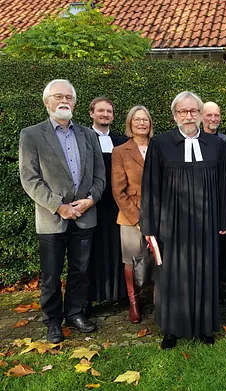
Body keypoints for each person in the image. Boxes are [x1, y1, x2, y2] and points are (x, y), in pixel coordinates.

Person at [140, 91, 226, 349]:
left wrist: (225, 218)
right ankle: (171, 329)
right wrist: (150, 225)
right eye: (183, 111)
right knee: (172, 275)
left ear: (201, 114)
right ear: (174, 115)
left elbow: (225, 185)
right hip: (172, 225)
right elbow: (150, 187)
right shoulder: (160, 144)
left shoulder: (217, 146)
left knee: (205, 272)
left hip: (207, 223)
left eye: (193, 111)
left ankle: (205, 327)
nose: (189, 116)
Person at [19, 79, 105, 343]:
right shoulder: (32, 135)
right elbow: (29, 178)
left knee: (81, 271)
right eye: (58, 96)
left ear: (75, 103)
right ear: (47, 102)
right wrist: (59, 205)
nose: (64, 100)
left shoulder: (88, 135)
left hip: (85, 215)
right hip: (52, 218)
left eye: (69, 97)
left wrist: (91, 199)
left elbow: (100, 174)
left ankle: (76, 313)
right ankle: (53, 321)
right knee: (52, 273)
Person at [85, 97, 128, 315]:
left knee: (117, 248)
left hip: (116, 204)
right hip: (92, 204)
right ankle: (90, 298)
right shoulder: (83, 138)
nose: (105, 115)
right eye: (100, 111)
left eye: (109, 111)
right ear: (91, 113)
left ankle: (118, 294)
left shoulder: (120, 141)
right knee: (92, 251)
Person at [111, 106, 153, 324]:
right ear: (130, 123)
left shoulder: (158, 147)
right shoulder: (120, 151)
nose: (141, 123)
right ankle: (134, 302)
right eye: (137, 120)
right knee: (132, 260)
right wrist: (137, 219)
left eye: (145, 119)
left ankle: (158, 299)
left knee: (158, 258)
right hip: (130, 216)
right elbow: (118, 191)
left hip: (157, 213)